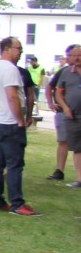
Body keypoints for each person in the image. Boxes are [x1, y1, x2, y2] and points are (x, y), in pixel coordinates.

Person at [0, 36, 38, 215]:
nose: (20, 51)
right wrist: (20, 119)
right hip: (8, 122)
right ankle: (17, 204)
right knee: (15, 164)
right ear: (7, 49)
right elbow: (12, 96)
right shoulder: (9, 69)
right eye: (18, 48)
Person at [45, 44, 81, 183]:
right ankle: (61, 171)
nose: (76, 58)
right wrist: (62, 107)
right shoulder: (65, 72)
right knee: (68, 143)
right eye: (73, 55)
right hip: (69, 115)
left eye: (79, 55)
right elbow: (54, 89)